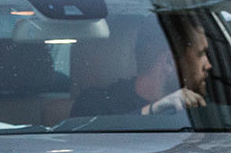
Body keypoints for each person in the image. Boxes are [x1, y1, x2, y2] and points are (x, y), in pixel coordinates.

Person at [73, 19, 210, 116]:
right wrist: (154, 110)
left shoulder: (207, 107)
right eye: (201, 54)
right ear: (168, 62)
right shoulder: (96, 103)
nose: (209, 65)